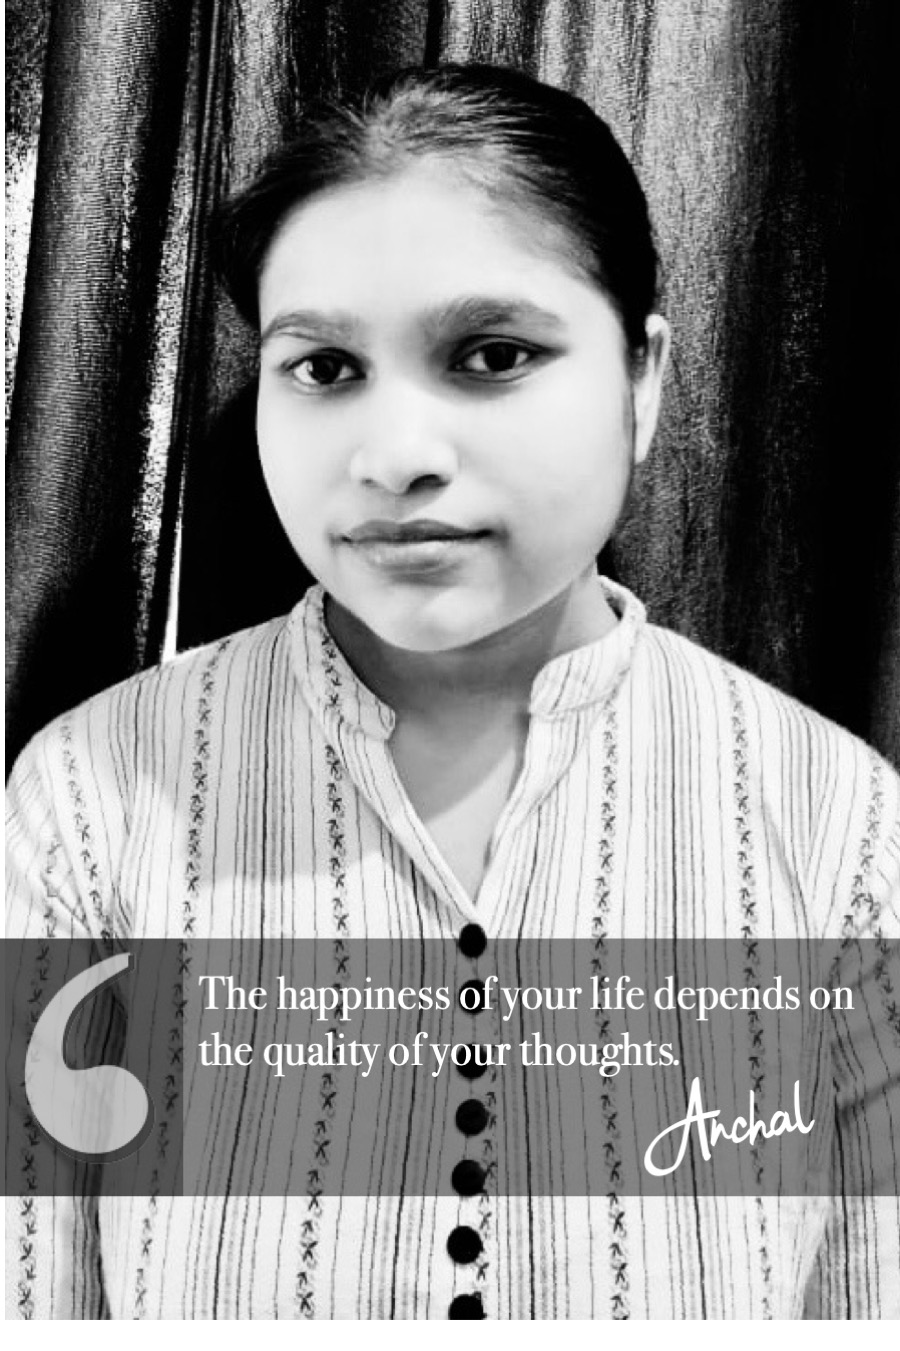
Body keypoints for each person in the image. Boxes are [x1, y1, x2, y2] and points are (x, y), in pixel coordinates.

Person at [6, 64, 899, 1320]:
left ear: (641, 379)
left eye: (492, 354)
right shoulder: (88, 805)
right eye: (323, 368)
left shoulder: (839, 826)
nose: (396, 456)